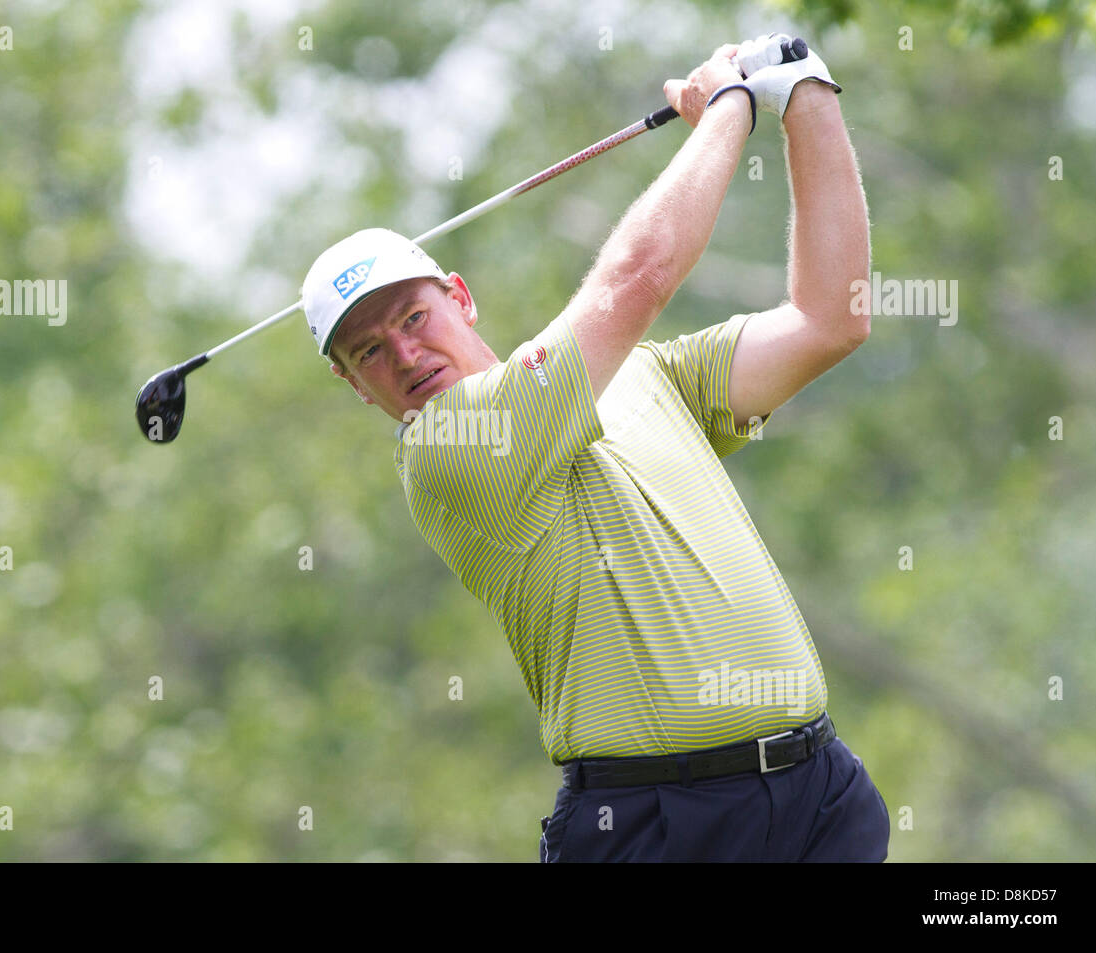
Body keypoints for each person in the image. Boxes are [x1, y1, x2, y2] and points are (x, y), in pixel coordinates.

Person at [300, 34, 890, 862]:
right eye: (366, 351)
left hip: (818, 793)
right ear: (354, 386)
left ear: (459, 298)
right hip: (651, 825)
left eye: (411, 317)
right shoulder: (447, 451)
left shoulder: (648, 376)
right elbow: (639, 276)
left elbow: (832, 319)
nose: (403, 354)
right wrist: (728, 109)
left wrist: (805, 94)